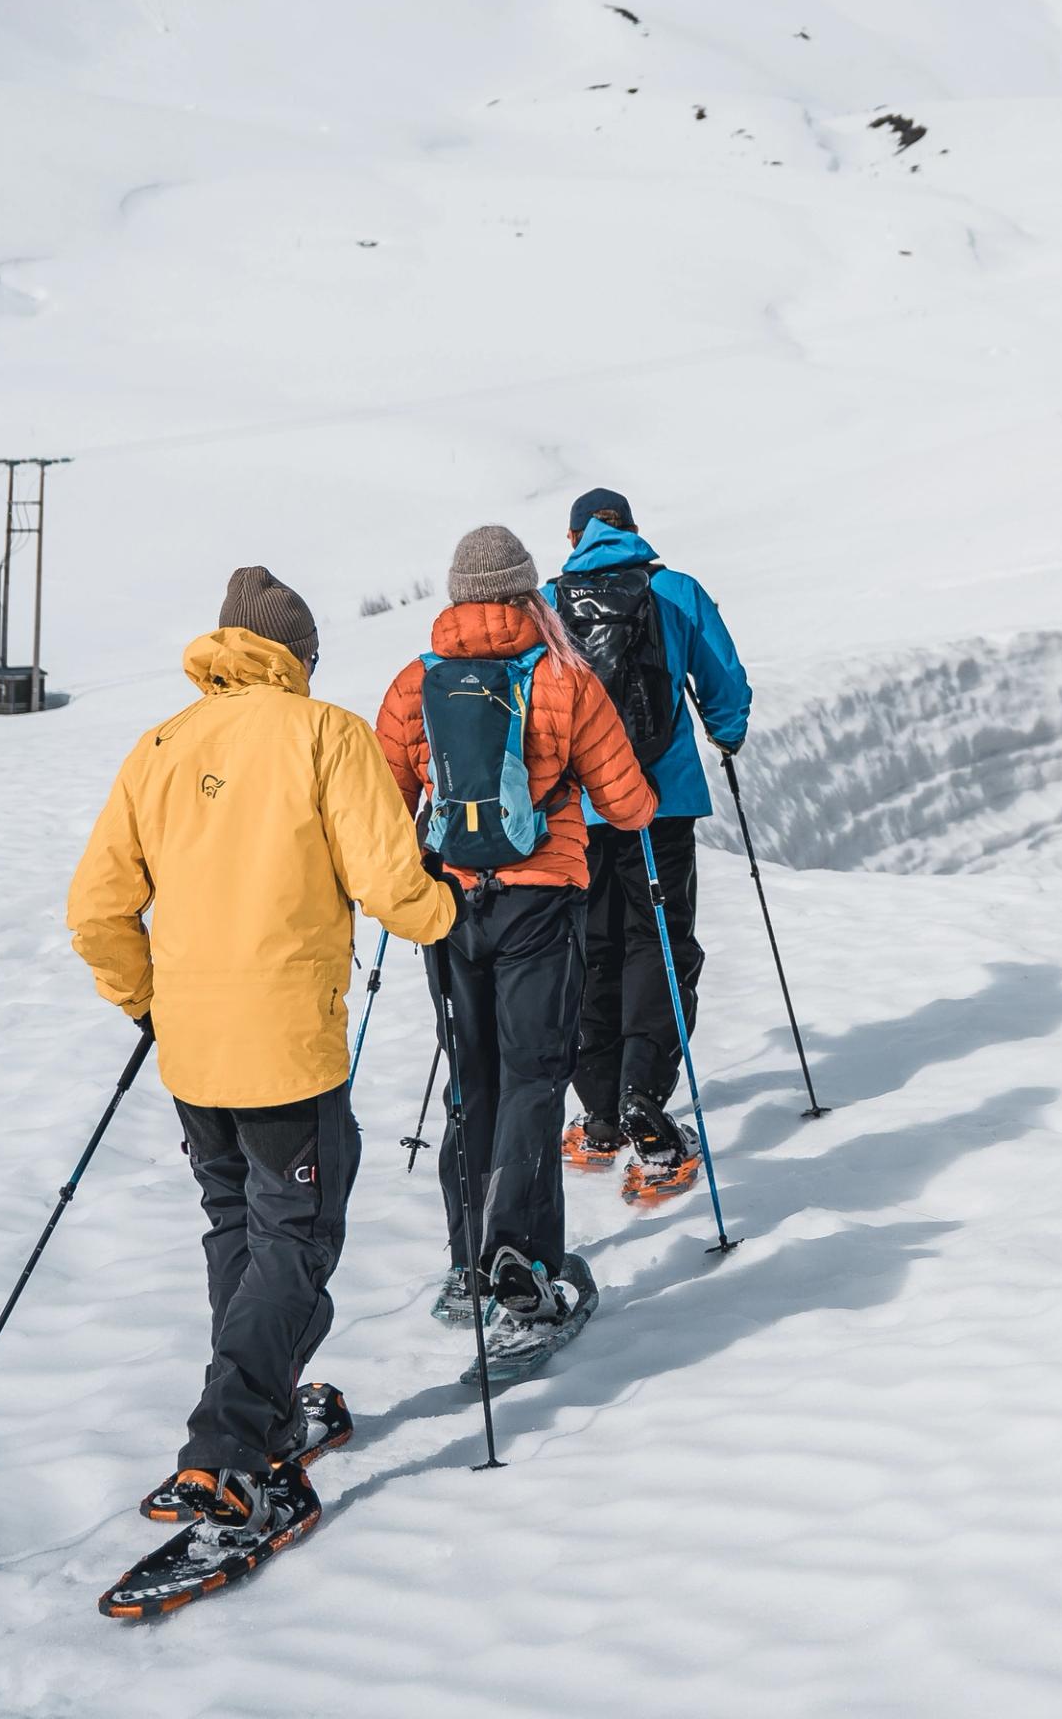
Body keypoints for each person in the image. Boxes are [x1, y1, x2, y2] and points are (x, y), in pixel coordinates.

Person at [65, 565, 453, 1613]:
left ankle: (260, 1408)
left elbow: (96, 908)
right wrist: (441, 912)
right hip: (287, 1051)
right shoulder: (323, 733)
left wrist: (147, 1000)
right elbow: (389, 882)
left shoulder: (158, 747)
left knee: (237, 1221)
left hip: (193, 1051)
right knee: (297, 1235)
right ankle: (230, 1449)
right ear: (297, 656)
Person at [374, 522, 657, 1370]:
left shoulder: (414, 683)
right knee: (535, 1080)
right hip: (541, 902)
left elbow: (383, 798)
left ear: (458, 595)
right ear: (528, 591)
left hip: (449, 908)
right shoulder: (564, 679)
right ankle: (521, 1267)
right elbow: (630, 803)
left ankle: (468, 1264)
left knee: (476, 1082)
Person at [544, 485, 753, 1203]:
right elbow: (723, 681)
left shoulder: (548, 600)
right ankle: (643, 1100)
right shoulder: (675, 591)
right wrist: (726, 734)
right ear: (632, 529)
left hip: (578, 809)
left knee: (592, 949)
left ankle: (599, 1115)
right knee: (660, 945)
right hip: (660, 809)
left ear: (574, 539)